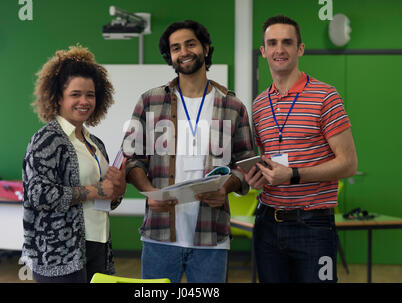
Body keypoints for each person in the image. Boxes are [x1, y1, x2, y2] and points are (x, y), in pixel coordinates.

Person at [122, 20, 255, 283]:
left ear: (206, 49)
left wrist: (225, 188)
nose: (183, 51)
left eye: (190, 44)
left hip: (211, 237)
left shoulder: (232, 105)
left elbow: (246, 165)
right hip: (159, 235)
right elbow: (131, 159)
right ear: (170, 56)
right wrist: (150, 192)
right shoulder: (149, 101)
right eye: (175, 47)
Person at [239, 15, 358, 283]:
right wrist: (256, 177)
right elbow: (264, 162)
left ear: (300, 49)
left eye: (287, 42)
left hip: (313, 227)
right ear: (263, 51)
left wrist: (293, 174)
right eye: (272, 43)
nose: (279, 49)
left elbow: (349, 163)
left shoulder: (326, 97)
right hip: (267, 224)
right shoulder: (258, 105)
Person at [21, 45, 126, 283]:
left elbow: (107, 198)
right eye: (75, 94)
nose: (84, 101)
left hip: (98, 245)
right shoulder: (47, 139)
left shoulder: (95, 142)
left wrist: (116, 190)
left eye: (90, 94)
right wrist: (95, 190)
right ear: (58, 97)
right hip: (59, 253)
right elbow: (38, 195)